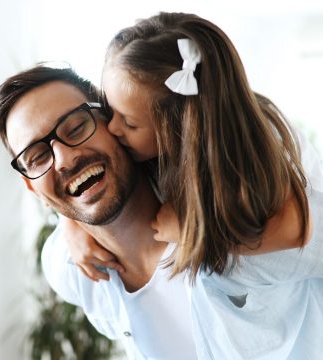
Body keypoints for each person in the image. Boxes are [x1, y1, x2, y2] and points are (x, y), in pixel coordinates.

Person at [59, 12, 323, 359]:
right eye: (110, 110)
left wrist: (192, 230)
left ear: (177, 129)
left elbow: (296, 231)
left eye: (130, 123)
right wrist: (70, 222)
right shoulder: (151, 147)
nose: (112, 129)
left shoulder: (252, 161)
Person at [0, 65, 196, 359]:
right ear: (33, 189)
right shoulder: (67, 270)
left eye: (75, 128)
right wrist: (68, 222)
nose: (64, 159)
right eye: (38, 157)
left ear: (115, 123)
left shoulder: (228, 218)